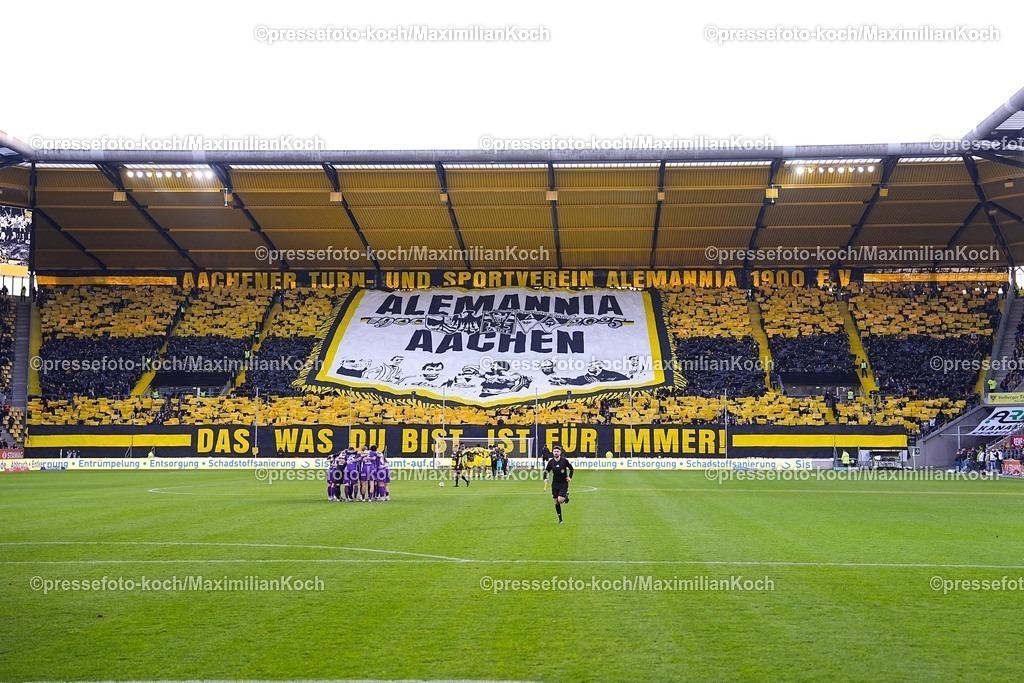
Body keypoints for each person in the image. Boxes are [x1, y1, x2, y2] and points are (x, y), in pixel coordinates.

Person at [542, 445, 574, 524]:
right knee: (556, 502)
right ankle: (560, 519)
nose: (556, 453)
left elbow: (571, 468)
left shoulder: (564, 461)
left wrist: (570, 477)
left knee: (560, 500)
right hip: (555, 484)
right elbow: (546, 471)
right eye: (554, 451)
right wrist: (545, 478)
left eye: (557, 451)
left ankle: (565, 496)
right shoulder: (551, 462)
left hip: (563, 483)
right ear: (552, 453)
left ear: (560, 452)